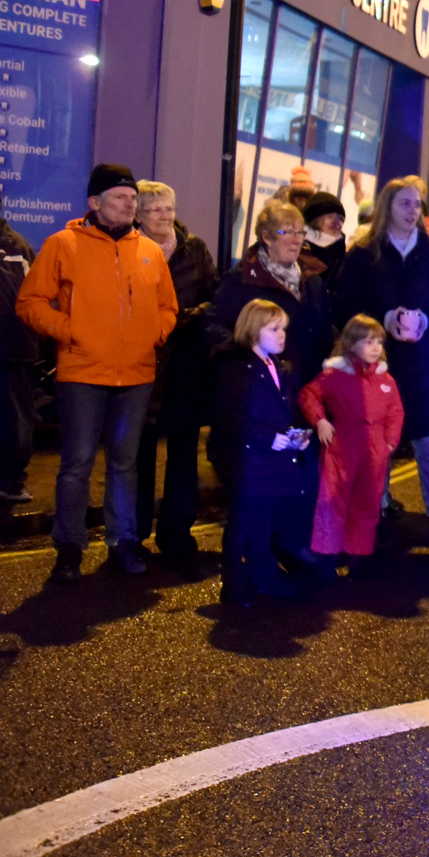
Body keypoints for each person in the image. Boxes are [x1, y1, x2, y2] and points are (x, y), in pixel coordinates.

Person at [18, 164, 178, 582]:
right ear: (94, 203)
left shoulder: (148, 250)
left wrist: (153, 336)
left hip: (136, 376)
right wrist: (70, 332)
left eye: (132, 197)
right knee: (77, 463)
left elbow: (168, 307)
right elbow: (31, 302)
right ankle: (69, 547)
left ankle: (124, 540)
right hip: (83, 373)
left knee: (125, 464)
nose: (131, 204)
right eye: (121, 196)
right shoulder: (63, 244)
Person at [334, 176, 429, 561]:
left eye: (418, 205)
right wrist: (384, 320)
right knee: (378, 444)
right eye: (405, 204)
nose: (414, 212)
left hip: (423, 363)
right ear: (387, 207)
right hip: (377, 365)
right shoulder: (363, 255)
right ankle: (378, 520)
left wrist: (425, 320)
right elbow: (343, 305)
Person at [132, 181, 218, 577]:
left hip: (185, 366)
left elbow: (214, 298)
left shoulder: (193, 249)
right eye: (155, 210)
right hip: (141, 365)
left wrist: (184, 319)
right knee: (138, 456)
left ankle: (177, 536)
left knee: (183, 456)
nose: (165, 216)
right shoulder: (129, 248)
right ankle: (133, 535)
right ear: (138, 214)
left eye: (169, 208)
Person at [212, 300, 314, 606]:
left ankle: (262, 575)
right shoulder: (236, 367)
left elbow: (283, 410)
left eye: (283, 328)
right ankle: (233, 584)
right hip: (245, 457)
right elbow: (230, 416)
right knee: (242, 520)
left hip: (267, 455)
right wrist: (268, 437)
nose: (282, 335)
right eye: (274, 329)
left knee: (263, 517)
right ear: (255, 330)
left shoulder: (276, 366)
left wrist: (294, 436)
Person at [300, 315, 404, 573]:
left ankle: (358, 554)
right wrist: (320, 421)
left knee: (367, 503)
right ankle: (328, 556)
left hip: (374, 450)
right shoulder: (334, 376)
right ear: (351, 343)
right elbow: (309, 395)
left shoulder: (385, 380)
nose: (376, 348)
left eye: (379, 342)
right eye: (368, 342)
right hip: (342, 447)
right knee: (333, 501)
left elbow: (395, 412)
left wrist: (390, 442)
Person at [209, 201, 335, 386]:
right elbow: (215, 327)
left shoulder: (313, 278)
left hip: (309, 387)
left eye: (300, 232)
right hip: (263, 385)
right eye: (287, 232)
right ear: (267, 237)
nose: (298, 240)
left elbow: (325, 330)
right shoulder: (243, 278)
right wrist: (250, 359)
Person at [0, 181, 36, 505]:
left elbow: (36, 296)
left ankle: (11, 485)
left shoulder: (15, 247)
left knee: (13, 423)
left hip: (8, 350)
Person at [301, 192, 349, 289]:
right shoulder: (297, 251)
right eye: (329, 217)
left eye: (340, 219)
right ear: (314, 219)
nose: (336, 223)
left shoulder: (345, 259)